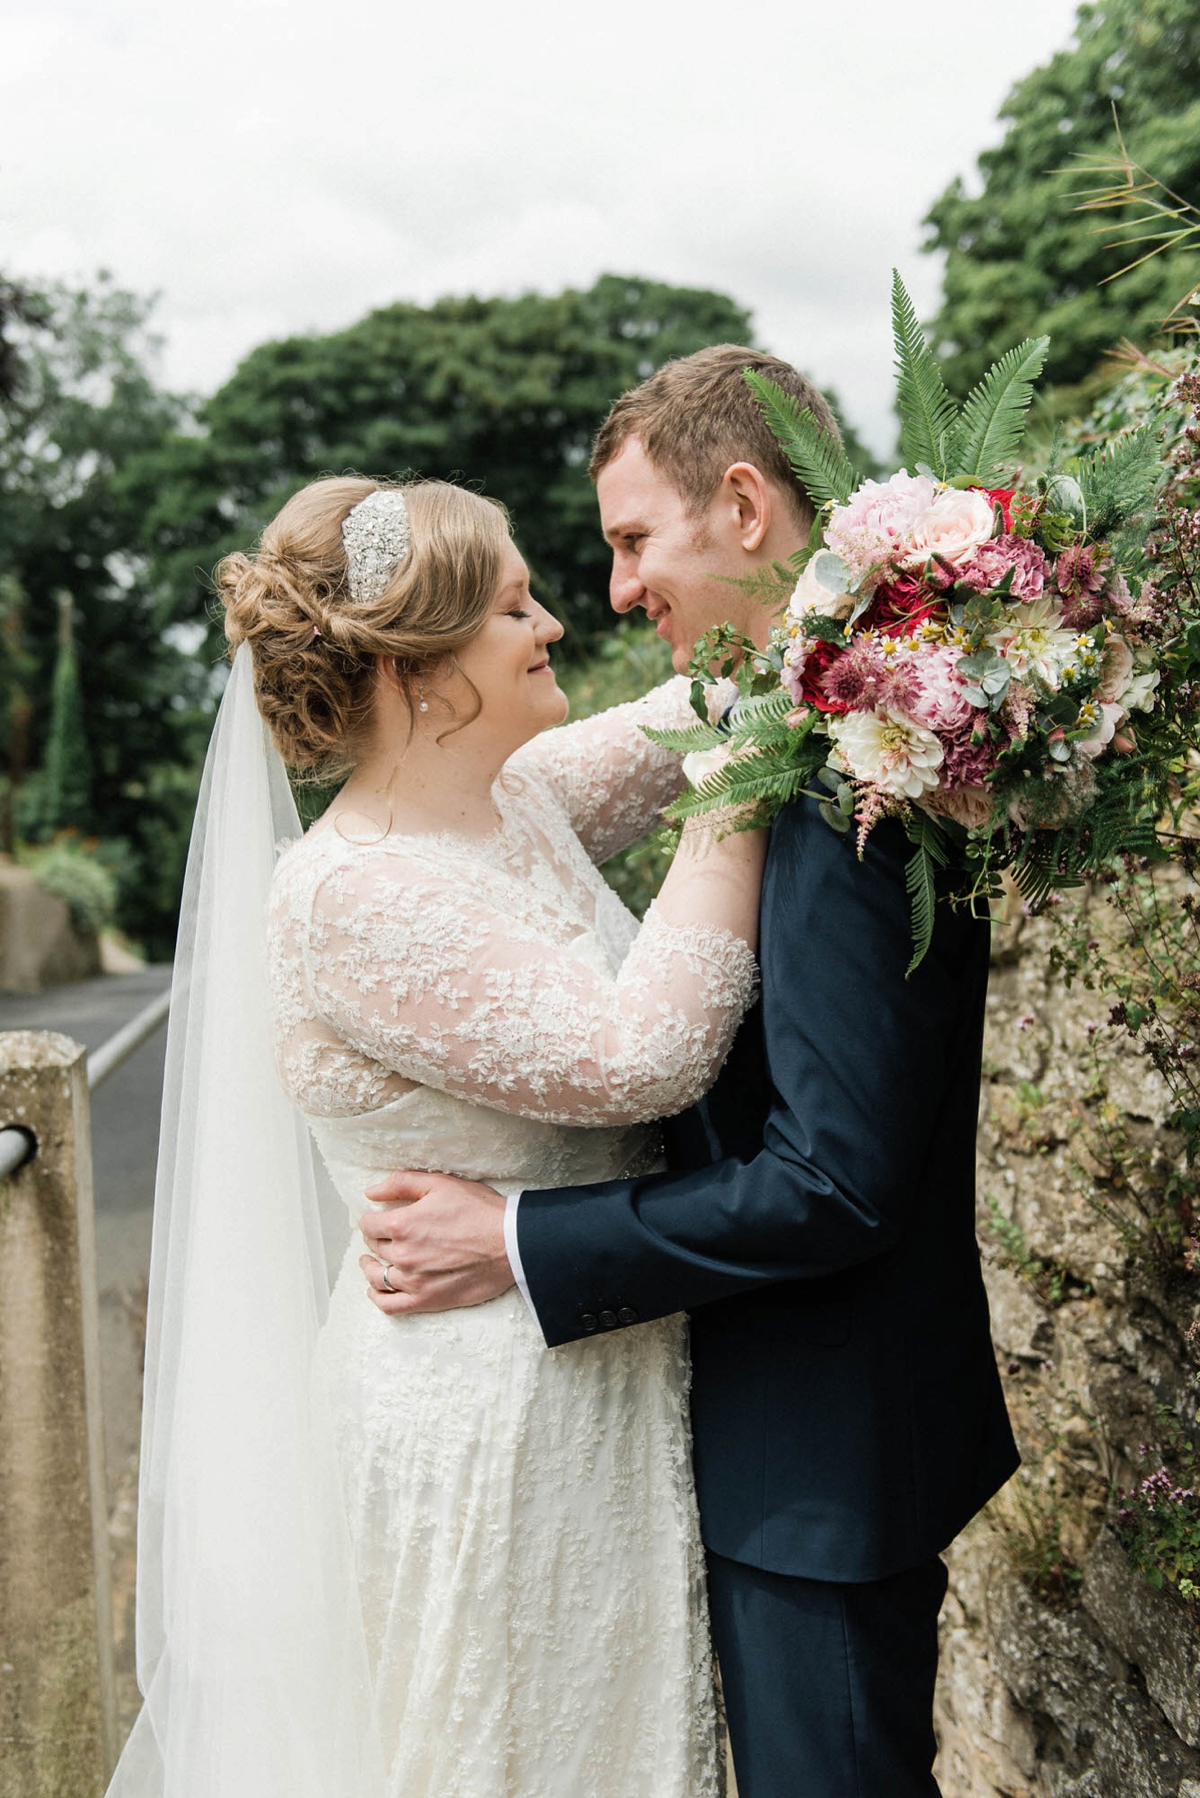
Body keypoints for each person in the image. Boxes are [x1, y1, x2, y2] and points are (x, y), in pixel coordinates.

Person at [361, 347, 1021, 1798]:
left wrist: (521, 1239)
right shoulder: (791, 718)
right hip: (778, 1428)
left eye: (629, 541)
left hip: (821, 1459)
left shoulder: (858, 764)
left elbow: (834, 1178)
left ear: (741, 505)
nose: (610, 592)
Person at [109, 471, 768, 1798]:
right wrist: (748, 792)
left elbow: (694, 709)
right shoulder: (351, 896)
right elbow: (639, 1052)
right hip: (483, 1416)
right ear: (423, 671)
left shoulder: (511, 797)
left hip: (587, 1375)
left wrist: (835, 629)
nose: (555, 625)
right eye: (517, 605)